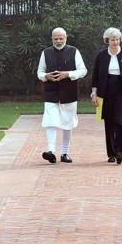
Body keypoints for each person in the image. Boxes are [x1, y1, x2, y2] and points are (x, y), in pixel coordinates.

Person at [36, 27, 87, 164]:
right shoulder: (45, 53)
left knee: (67, 122)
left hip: (69, 91)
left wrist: (68, 74)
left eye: (61, 38)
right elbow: (39, 72)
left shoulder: (74, 51)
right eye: (55, 38)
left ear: (66, 38)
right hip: (50, 91)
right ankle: (51, 151)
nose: (58, 41)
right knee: (50, 121)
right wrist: (46, 76)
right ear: (52, 39)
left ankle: (65, 153)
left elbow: (83, 70)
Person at [90, 27, 122, 164]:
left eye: (117, 39)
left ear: (120, 40)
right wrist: (94, 94)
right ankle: (111, 153)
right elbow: (95, 77)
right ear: (107, 41)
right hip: (105, 91)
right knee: (108, 122)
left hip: (121, 91)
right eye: (112, 40)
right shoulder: (101, 55)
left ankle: (119, 152)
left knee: (118, 121)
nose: (115, 42)